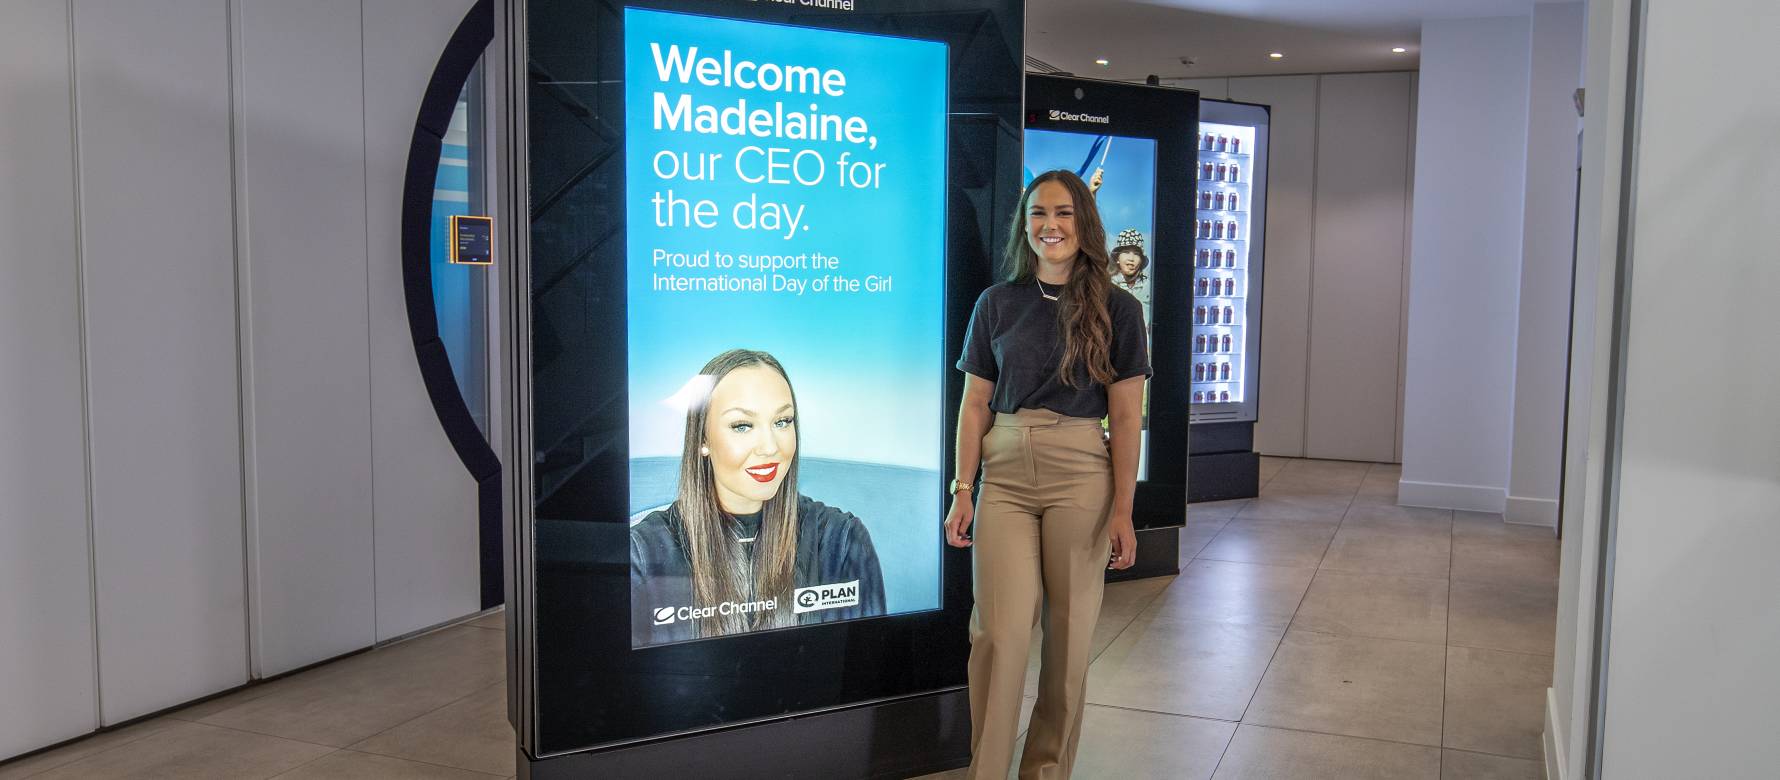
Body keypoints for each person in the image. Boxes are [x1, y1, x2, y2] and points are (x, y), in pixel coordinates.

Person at [946, 170, 1150, 778]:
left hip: (1081, 474)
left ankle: (1045, 771)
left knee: (1066, 648)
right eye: (1038, 214)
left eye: (1062, 213)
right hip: (1004, 474)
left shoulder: (1120, 309)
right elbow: (974, 405)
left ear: (1083, 222)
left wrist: (1122, 510)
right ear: (1024, 224)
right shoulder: (997, 302)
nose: (1050, 225)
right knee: (998, 639)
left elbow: (1125, 414)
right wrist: (963, 490)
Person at [630, 349, 886, 645]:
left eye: (782, 421)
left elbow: (866, 669)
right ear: (703, 440)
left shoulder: (842, 541)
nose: (769, 447)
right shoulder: (642, 554)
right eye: (742, 426)